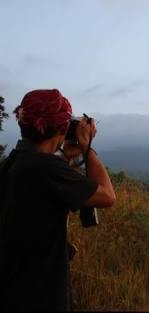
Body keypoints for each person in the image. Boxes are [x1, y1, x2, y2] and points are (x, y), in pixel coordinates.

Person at [0, 89, 116, 311]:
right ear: (63, 128)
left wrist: (65, 156)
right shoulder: (46, 168)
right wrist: (87, 147)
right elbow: (107, 196)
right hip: (40, 293)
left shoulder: (13, 163)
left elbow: (53, 185)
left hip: (12, 290)